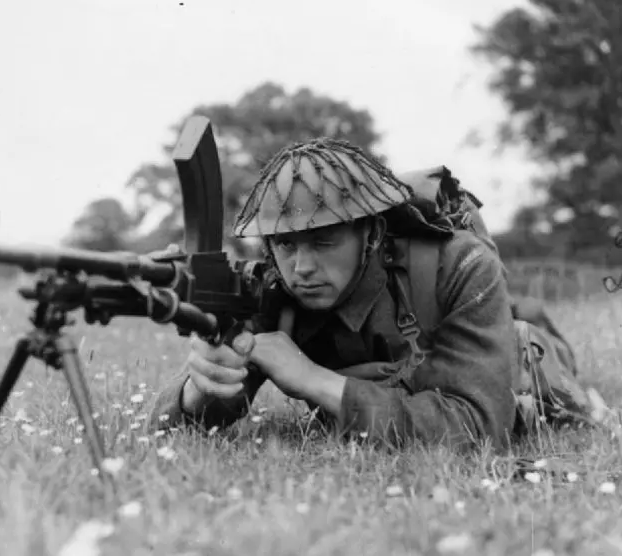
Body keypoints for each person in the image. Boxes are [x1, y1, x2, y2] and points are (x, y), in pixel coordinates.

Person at [147, 137, 596, 452]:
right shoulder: (272, 291)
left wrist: (313, 379)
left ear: (373, 233)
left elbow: (480, 427)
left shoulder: (459, 265)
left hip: (506, 351)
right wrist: (201, 387)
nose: (301, 267)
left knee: (531, 358)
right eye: (285, 244)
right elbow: (170, 425)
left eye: (324, 241)